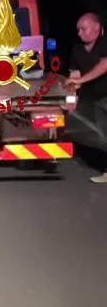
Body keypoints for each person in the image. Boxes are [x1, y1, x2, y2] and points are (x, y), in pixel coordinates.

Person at [65, 12, 107, 182]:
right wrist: (71, 99)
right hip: (97, 99)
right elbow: (74, 77)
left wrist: (82, 79)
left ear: (96, 27)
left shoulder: (105, 42)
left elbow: (104, 65)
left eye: (83, 29)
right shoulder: (77, 49)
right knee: (104, 136)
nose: (79, 33)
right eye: (78, 30)